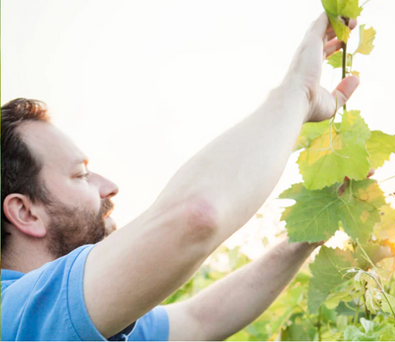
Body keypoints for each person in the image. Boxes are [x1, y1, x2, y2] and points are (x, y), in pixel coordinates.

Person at [1, 12, 359, 341]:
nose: (109, 187)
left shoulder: (90, 321)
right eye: (81, 175)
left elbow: (201, 320)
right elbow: (196, 214)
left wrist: (305, 235)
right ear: (25, 212)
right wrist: (298, 92)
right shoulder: (11, 319)